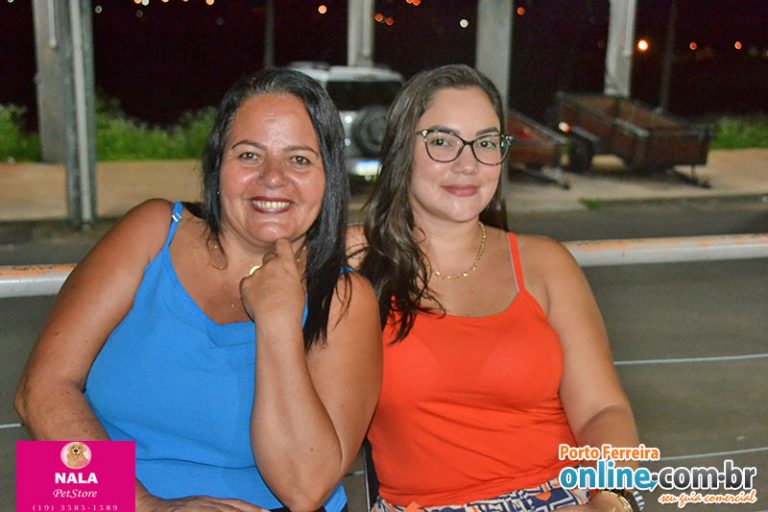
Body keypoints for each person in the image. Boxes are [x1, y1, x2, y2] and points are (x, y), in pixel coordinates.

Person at [15, 68, 382, 512]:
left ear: (329, 178)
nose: (273, 177)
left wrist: (278, 320)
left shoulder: (344, 298)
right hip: (98, 500)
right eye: (249, 155)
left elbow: (305, 490)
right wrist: (148, 506)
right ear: (217, 164)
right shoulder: (153, 230)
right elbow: (39, 390)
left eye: (300, 160)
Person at [354, 64, 642, 512]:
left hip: (568, 499)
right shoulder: (357, 264)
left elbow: (603, 411)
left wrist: (610, 499)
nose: (467, 164)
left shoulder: (545, 265)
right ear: (400, 150)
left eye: (486, 143)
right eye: (442, 141)